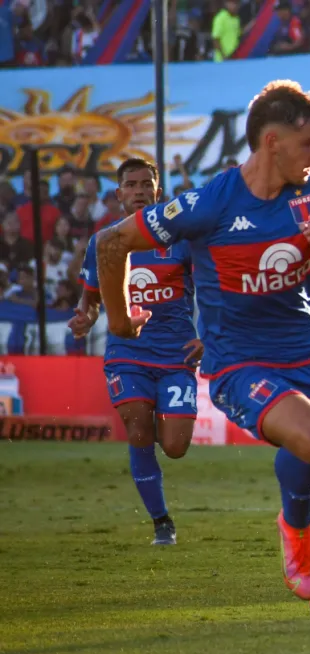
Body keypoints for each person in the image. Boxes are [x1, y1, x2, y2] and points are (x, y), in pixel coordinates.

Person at [95, 80, 310, 633]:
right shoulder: (211, 202)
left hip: (309, 350)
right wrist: (121, 320)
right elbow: (111, 244)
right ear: (271, 141)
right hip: (237, 362)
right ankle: (295, 528)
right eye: (309, 143)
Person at [69, 158, 203, 547]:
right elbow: (90, 300)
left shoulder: (182, 240)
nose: (140, 190)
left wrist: (209, 334)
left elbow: (213, 290)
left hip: (177, 352)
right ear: (120, 194)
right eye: (131, 184)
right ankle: (162, 522)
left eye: (147, 184)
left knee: (175, 446)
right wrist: (85, 317)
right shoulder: (104, 242)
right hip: (127, 352)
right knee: (138, 428)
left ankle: (157, 428)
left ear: (157, 191)